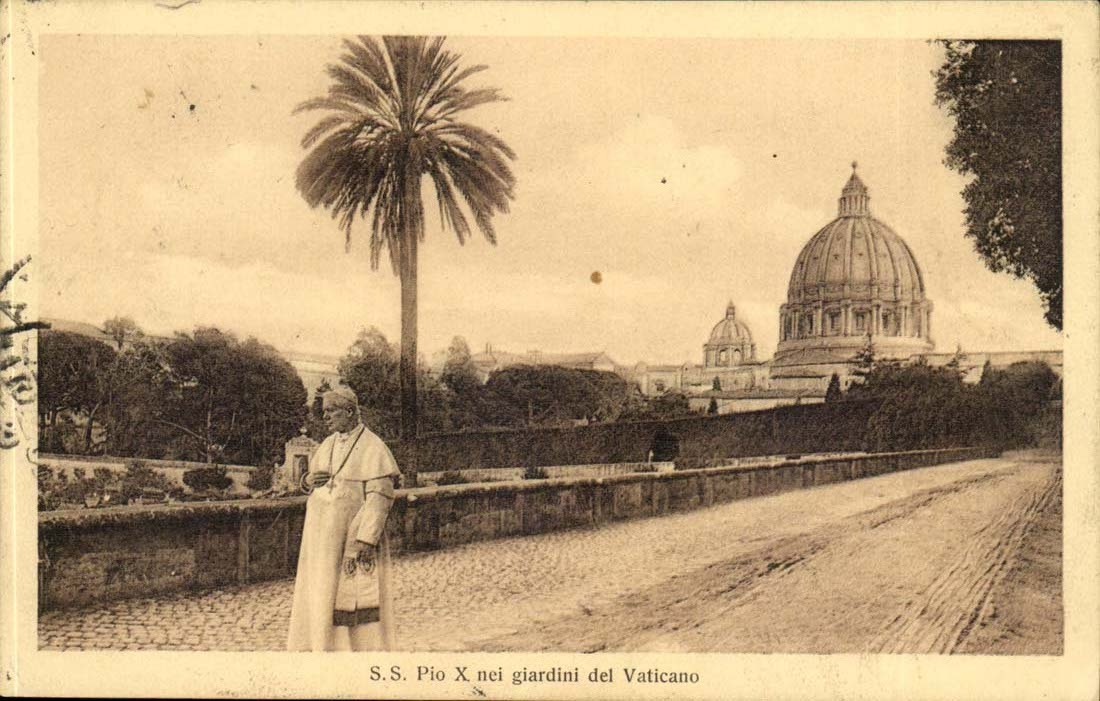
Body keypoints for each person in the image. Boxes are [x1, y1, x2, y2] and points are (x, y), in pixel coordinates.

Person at [287, 386, 400, 651]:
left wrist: (365, 539)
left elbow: (380, 497)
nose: (325, 417)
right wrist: (308, 480)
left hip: (351, 537)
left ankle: (358, 651)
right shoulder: (327, 444)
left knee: (351, 595)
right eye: (324, 411)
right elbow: (313, 482)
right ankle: (321, 646)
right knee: (321, 591)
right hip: (320, 539)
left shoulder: (373, 446)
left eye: (331, 411)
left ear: (349, 411)